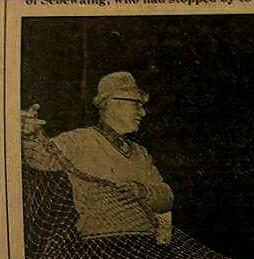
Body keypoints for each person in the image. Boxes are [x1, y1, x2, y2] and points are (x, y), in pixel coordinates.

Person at [21, 71, 173, 242]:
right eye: (137, 104)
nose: (143, 113)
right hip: (101, 246)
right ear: (111, 103)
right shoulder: (79, 140)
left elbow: (166, 197)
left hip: (146, 246)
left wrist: (141, 191)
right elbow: (42, 159)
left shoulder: (140, 152)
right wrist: (29, 136)